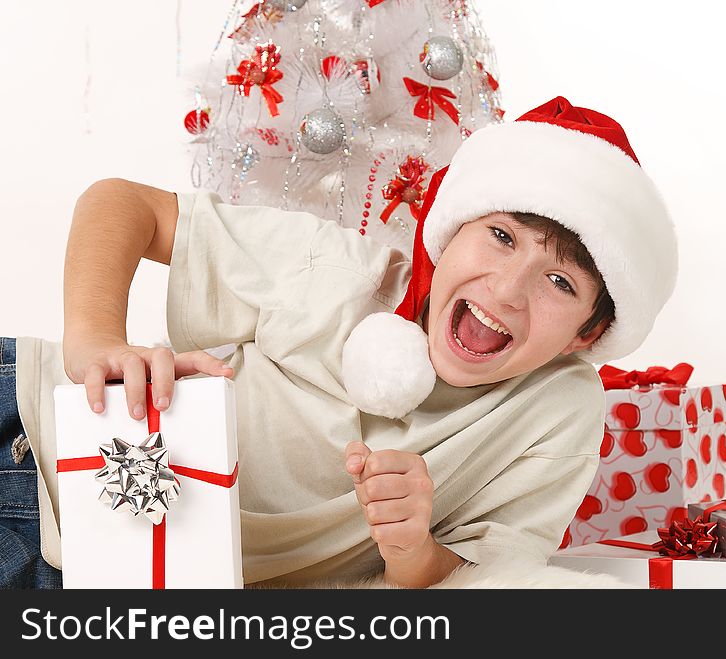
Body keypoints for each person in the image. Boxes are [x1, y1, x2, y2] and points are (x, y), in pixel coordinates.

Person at [1, 97, 677, 588]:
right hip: (33, 434)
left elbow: (482, 575)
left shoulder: (557, 408)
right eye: (500, 236)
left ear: (588, 332)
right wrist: (93, 342)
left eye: (559, 279)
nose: (507, 289)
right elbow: (122, 203)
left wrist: (412, 545)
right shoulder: (342, 275)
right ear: (449, 233)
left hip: (102, 579)